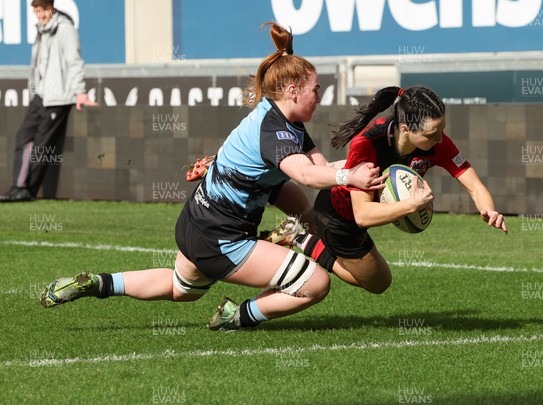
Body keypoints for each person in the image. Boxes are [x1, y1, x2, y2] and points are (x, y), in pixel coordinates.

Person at [39, 22, 385, 331]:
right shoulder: (275, 130)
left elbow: (320, 167)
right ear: (293, 88)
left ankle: (98, 283)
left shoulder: (279, 118)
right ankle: (237, 315)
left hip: (196, 223)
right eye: (316, 89)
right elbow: (308, 175)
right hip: (221, 237)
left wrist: (362, 167)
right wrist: (348, 178)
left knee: (181, 289)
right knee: (314, 283)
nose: (319, 96)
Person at [267, 86, 508, 294]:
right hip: (338, 219)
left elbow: (474, 185)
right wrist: (411, 205)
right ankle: (301, 238)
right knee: (378, 283)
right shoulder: (368, 143)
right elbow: (362, 215)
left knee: (378, 279)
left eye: (442, 129)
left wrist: (489, 209)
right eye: (433, 134)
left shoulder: (437, 142)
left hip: (355, 217)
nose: (440, 139)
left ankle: (299, 229)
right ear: (405, 129)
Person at [0, 0, 96, 203]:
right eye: (36, 10)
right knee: (23, 138)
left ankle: (28, 190)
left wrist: (79, 92)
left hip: (58, 98)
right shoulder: (41, 29)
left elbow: (74, 61)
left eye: (42, 10)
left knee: (42, 147)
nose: (39, 14)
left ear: (51, 8)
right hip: (40, 96)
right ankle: (17, 186)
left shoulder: (65, 29)